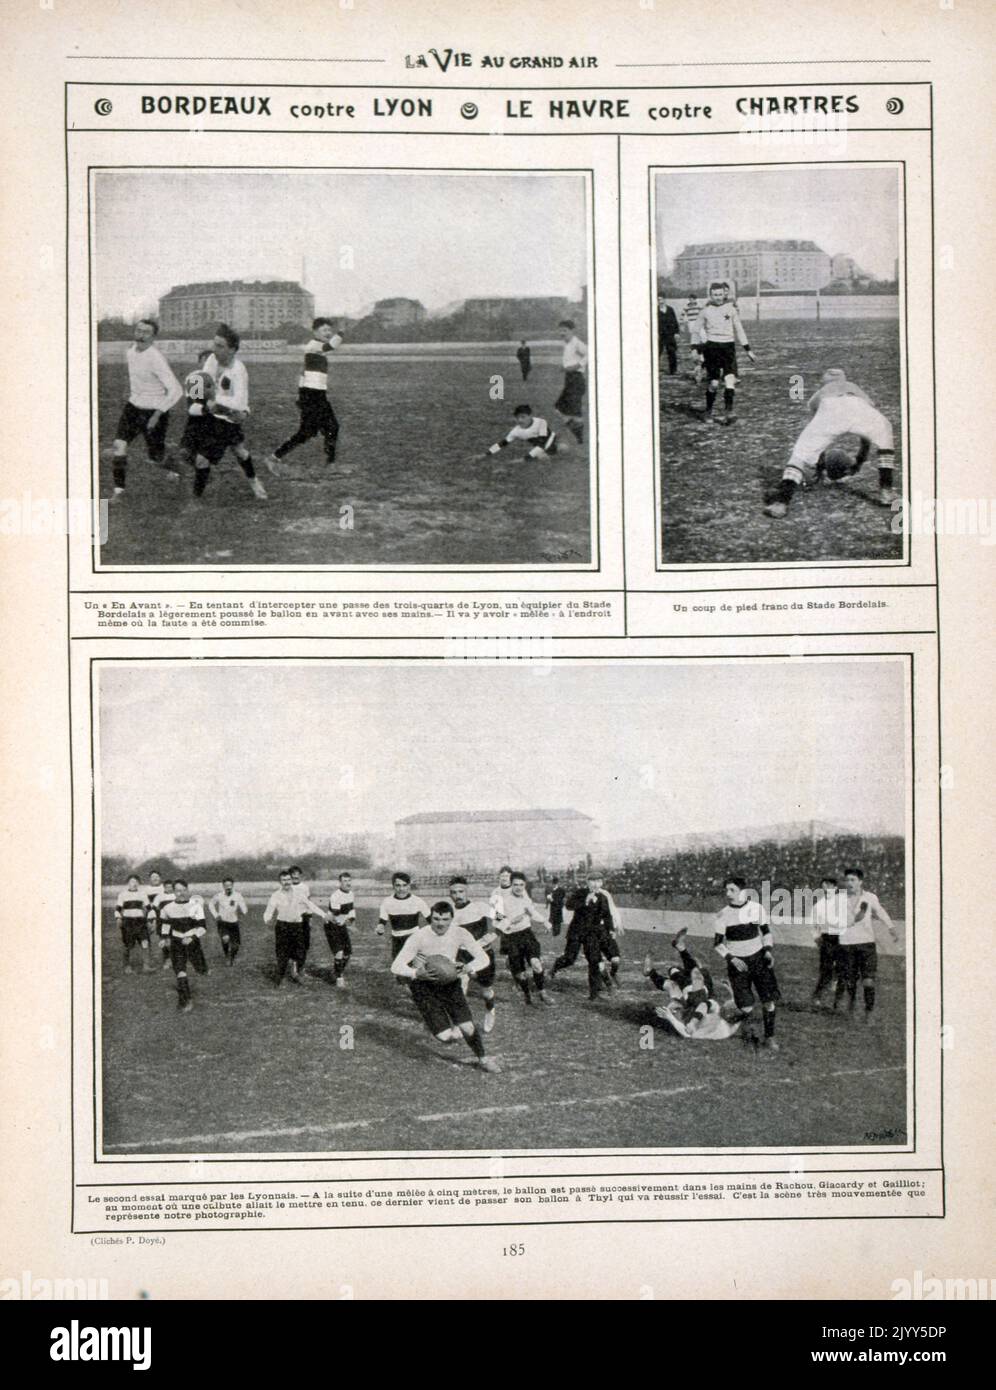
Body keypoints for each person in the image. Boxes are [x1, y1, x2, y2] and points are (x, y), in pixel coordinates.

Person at [763, 369, 897, 517]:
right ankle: (886, 490)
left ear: (824, 383)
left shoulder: (820, 393)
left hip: (830, 407)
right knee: (885, 432)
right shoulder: (854, 387)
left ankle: (782, 502)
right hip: (859, 405)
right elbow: (866, 435)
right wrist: (859, 461)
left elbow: (818, 438)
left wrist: (820, 465)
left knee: (800, 455)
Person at [391, 901, 499, 1072]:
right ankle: (436, 1023)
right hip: (423, 986)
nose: (440, 923)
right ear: (430, 918)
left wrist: (468, 967)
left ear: (451, 919)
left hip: (449, 982)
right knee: (445, 1037)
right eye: (436, 919)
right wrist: (415, 973)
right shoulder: (419, 936)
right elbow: (396, 966)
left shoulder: (460, 933)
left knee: (467, 1027)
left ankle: (483, 1059)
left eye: (445, 919)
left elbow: (483, 958)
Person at [189, 325, 267, 500]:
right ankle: (254, 482)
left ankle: (196, 498)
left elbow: (239, 402)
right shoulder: (211, 360)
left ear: (232, 350)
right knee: (239, 451)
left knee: (202, 459)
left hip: (228, 418)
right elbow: (201, 384)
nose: (214, 350)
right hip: (211, 415)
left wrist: (215, 401)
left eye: (220, 346)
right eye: (214, 344)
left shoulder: (239, 371)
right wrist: (201, 398)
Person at [109, 318, 183, 499]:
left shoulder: (156, 358)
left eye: (146, 333)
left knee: (156, 458)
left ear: (153, 337)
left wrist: (157, 414)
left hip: (154, 412)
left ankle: (176, 468)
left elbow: (177, 390)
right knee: (119, 445)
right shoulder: (130, 352)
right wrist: (130, 394)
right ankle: (119, 491)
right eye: (139, 331)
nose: (141, 335)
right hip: (133, 408)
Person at [267, 317, 344, 472]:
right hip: (312, 395)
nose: (328, 333)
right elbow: (331, 345)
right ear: (315, 332)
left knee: (311, 431)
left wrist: (300, 395)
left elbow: (303, 372)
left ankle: (275, 457)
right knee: (326, 428)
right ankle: (330, 464)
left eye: (329, 330)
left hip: (314, 394)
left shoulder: (316, 349)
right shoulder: (314, 345)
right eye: (324, 330)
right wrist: (341, 332)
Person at [713, 876, 780, 1050]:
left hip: (758, 958)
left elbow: (766, 932)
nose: (728, 894)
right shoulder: (723, 914)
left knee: (769, 1000)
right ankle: (748, 1033)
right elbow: (718, 943)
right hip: (737, 963)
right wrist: (731, 958)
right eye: (726, 890)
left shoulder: (756, 908)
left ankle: (770, 1037)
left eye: (732, 890)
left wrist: (768, 951)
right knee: (746, 1005)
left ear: (742, 891)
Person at [834, 866, 900, 1024]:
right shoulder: (839, 899)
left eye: (853, 880)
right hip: (847, 943)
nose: (849, 883)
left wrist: (891, 927)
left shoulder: (870, 897)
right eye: (847, 880)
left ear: (860, 882)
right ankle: (851, 1007)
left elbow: (880, 911)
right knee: (850, 980)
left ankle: (869, 1011)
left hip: (866, 944)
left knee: (868, 980)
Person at [643, 929, 736, 1038]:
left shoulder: (702, 1026)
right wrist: (731, 991)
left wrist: (671, 1017)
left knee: (676, 977)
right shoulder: (715, 1012)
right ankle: (654, 970)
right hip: (693, 998)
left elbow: (686, 1033)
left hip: (686, 1002)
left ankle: (655, 970)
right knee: (688, 978)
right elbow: (706, 1005)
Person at [695, 282, 755, 425]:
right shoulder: (705, 311)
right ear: (711, 295)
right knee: (714, 384)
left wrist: (748, 350)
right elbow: (696, 330)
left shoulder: (731, 309)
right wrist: (697, 350)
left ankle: (729, 412)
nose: (718, 297)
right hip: (712, 348)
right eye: (715, 295)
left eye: (720, 295)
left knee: (730, 380)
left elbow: (739, 329)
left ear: (724, 294)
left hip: (728, 348)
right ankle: (708, 411)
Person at [552, 871, 617, 1000]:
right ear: (587, 882)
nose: (596, 884)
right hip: (576, 931)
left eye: (599, 881)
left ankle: (594, 994)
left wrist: (611, 929)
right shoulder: (580, 893)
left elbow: (607, 915)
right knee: (569, 958)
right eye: (593, 881)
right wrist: (585, 901)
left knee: (594, 960)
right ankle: (555, 967)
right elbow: (569, 906)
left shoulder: (603, 897)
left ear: (602, 883)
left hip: (591, 934)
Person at [493, 872, 554, 1006]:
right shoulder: (501, 900)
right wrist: (510, 921)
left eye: (521, 885)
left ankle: (542, 992)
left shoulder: (525, 898)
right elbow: (496, 921)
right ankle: (527, 994)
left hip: (526, 935)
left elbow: (533, 912)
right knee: (520, 974)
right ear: (510, 884)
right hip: (511, 938)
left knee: (536, 964)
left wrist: (545, 921)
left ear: (525, 885)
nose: (519, 888)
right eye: (515, 884)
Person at [448, 876, 498, 1033]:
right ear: (450, 894)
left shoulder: (480, 907)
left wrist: (495, 934)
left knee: (486, 991)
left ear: (467, 891)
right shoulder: (449, 913)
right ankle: (459, 1024)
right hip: (461, 955)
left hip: (483, 954)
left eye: (461, 891)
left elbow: (504, 919)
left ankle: (490, 1010)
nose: (458, 895)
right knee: (460, 988)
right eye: (454, 892)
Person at [262, 870, 327, 987]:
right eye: (283, 880)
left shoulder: (299, 893)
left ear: (291, 880)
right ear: (280, 882)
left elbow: (310, 905)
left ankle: (297, 974)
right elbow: (269, 910)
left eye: (288, 880)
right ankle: (280, 979)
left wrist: (324, 915)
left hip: (297, 926)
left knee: (301, 952)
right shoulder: (276, 895)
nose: (286, 882)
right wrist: (267, 919)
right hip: (283, 926)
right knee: (282, 953)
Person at [158, 880, 209, 1013]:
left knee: (200, 968)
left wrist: (192, 937)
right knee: (180, 971)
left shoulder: (196, 907)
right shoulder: (167, 908)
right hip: (176, 943)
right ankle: (186, 1000)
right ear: (174, 892)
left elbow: (203, 928)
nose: (180, 893)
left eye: (183, 890)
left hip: (193, 943)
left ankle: (203, 968)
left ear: (187, 890)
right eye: (177, 890)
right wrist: (164, 938)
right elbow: (165, 925)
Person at [809, 876, 845, 1008]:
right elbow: (813, 924)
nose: (827, 889)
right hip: (827, 938)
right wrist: (816, 937)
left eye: (830, 886)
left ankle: (837, 1001)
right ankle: (817, 996)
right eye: (825, 886)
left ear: (835, 888)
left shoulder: (843, 902)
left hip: (842, 937)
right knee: (825, 969)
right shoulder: (819, 905)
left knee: (842, 969)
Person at [480, 403, 560, 462]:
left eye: (523, 417)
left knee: (561, 450)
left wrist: (523, 459)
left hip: (551, 440)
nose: (520, 420)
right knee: (542, 457)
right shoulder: (516, 431)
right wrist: (485, 454)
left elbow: (543, 444)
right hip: (539, 445)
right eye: (517, 417)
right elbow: (502, 443)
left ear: (530, 416)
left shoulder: (541, 422)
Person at [378, 873, 430, 961]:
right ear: (393, 886)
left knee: (414, 968)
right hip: (397, 940)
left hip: (414, 938)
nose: (401, 889)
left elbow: (431, 919)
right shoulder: (387, 902)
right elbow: (382, 922)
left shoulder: (417, 901)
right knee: (398, 969)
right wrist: (380, 928)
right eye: (398, 885)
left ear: (409, 886)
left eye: (404, 885)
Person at [555, 318, 588, 444]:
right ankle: (574, 431)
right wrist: (564, 368)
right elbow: (570, 361)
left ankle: (579, 438)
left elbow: (589, 354)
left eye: (565, 330)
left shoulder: (576, 343)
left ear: (572, 331)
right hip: (569, 379)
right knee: (559, 407)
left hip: (576, 379)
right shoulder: (567, 344)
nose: (562, 333)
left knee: (575, 411)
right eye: (560, 331)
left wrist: (577, 366)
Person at [114, 875, 153, 974]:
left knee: (145, 943)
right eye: (132, 881)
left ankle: (146, 966)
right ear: (128, 883)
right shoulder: (122, 894)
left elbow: (149, 909)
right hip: (128, 922)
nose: (134, 883)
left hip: (140, 921)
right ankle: (127, 967)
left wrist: (151, 920)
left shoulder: (142, 894)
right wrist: (118, 918)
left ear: (138, 883)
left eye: (136, 881)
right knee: (128, 944)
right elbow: (118, 909)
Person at [326, 870, 357, 988]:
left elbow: (351, 910)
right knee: (339, 952)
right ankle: (339, 978)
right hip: (332, 925)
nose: (347, 883)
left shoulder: (351, 893)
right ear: (339, 882)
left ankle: (336, 972)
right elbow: (337, 916)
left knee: (347, 953)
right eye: (345, 881)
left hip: (342, 924)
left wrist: (351, 921)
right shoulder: (335, 896)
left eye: (349, 881)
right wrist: (348, 924)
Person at [207, 877, 249, 965]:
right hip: (222, 922)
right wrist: (216, 915)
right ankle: (227, 956)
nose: (228, 887)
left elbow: (244, 907)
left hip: (234, 922)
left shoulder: (237, 895)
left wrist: (243, 911)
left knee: (236, 945)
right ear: (223, 886)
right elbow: (211, 904)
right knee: (225, 939)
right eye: (226, 885)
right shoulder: (219, 895)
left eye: (230, 885)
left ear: (232, 885)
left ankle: (232, 957)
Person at [680, 295, 704, 382]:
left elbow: (703, 312)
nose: (691, 300)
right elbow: (682, 315)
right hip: (691, 323)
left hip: (699, 322)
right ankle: (696, 350)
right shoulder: (687, 306)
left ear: (695, 299)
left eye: (693, 299)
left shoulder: (699, 305)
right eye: (690, 299)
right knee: (694, 338)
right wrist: (682, 323)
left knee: (703, 337)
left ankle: (702, 348)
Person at [658, 297, 679, 375]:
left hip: (670, 334)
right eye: (658, 300)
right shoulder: (655, 310)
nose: (660, 301)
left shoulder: (670, 309)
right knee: (657, 352)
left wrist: (676, 332)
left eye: (661, 299)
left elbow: (675, 321)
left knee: (672, 351)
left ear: (665, 300)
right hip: (660, 335)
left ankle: (673, 370)